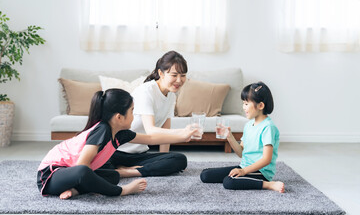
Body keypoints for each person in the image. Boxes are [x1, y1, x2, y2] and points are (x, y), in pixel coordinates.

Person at [37, 88, 198, 200]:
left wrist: (183, 135)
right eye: (132, 111)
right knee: (85, 174)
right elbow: (81, 167)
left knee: (112, 176)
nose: (134, 116)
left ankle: (77, 190)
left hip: (71, 174)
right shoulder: (102, 130)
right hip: (51, 175)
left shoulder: (119, 134)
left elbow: (150, 139)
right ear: (119, 117)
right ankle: (122, 191)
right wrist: (123, 189)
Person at [107, 51, 190, 178]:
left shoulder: (171, 95)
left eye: (183, 75)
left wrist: (164, 158)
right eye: (174, 75)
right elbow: (151, 131)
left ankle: (128, 170)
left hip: (139, 154)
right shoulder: (146, 91)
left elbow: (165, 131)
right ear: (161, 73)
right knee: (102, 165)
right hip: (117, 152)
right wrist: (182, 133)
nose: (179, 80)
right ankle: (128, 170)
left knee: (180, 159)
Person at [200, 82, 285, 193]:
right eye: (243, 103)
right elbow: (241, 153)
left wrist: (243, 171)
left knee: (229, 182)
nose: (243, 107)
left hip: (261, 172)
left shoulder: (268, 127)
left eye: (246, 104)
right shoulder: (249, 125)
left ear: (260, 106)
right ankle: (243, 175)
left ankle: (269, 184)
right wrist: (229, 137)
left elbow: (266, 159)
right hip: (245, 167)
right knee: (205, 175)